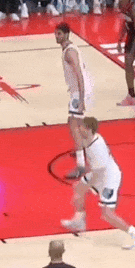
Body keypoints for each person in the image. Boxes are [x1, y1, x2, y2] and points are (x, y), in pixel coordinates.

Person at [61, 117, 135, 250]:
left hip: (109, 178)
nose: (79, 129)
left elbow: (99, 173)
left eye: (82, 127)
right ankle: (79, 221)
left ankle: (134, 236)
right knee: (79, 188)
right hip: (99, 172)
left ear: (88, 129)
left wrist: (89, 185)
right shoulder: (90, 137)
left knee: (107, 214)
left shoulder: (97, 147)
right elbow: (78, 138)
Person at [55, 22, 93, 180]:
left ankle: (81, 166)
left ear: (66, 34)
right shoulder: (68, 49)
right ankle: (86, 150)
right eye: (56, 34)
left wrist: (81, 98)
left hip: (79, 92)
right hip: (78, 91)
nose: (56, 37)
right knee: (77, 124)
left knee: (74, 126)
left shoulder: (70, 52)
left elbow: (79, 75)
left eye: (59, 34)